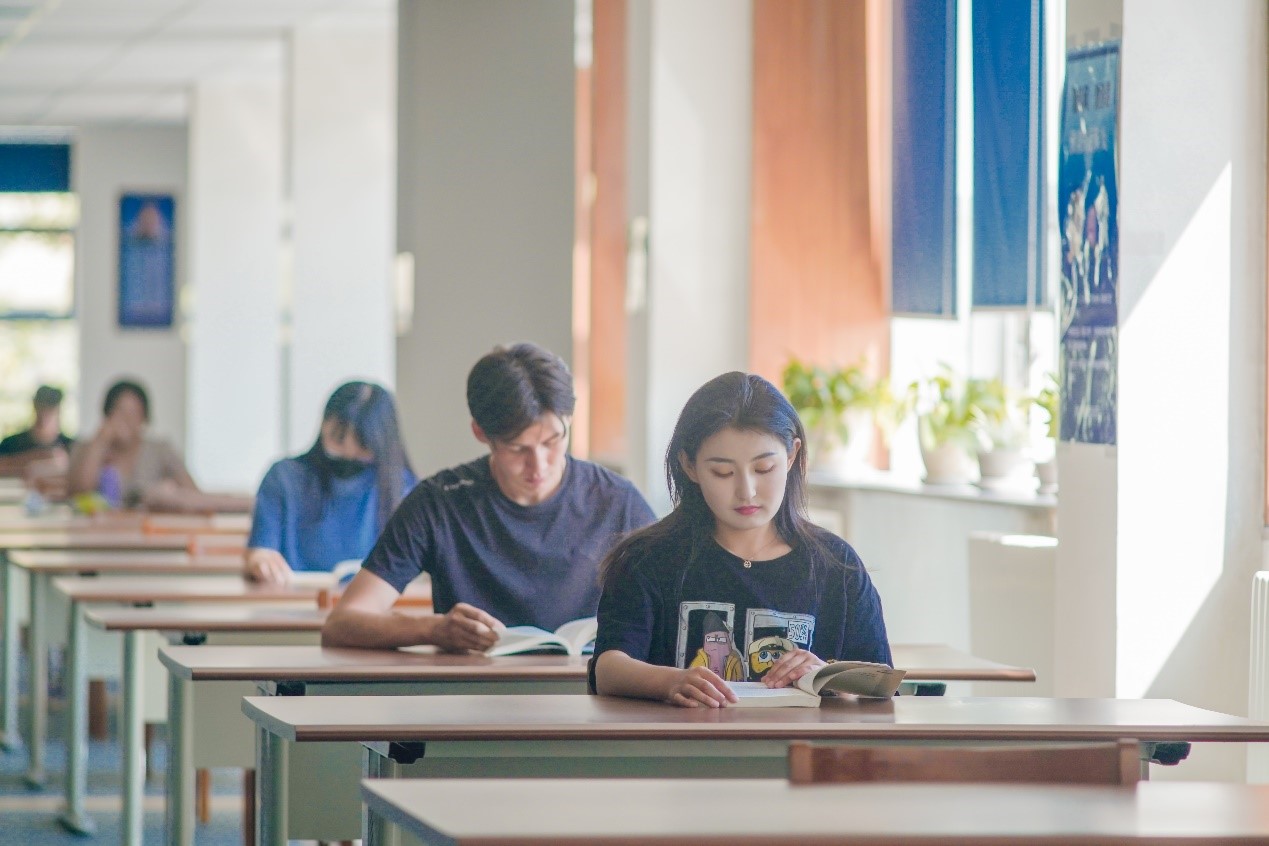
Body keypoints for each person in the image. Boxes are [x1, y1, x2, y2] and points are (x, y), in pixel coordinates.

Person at [322, 342, 656, 651]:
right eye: (517, 448)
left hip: (587, 688)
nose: (539, 465)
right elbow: (343, 623)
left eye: (553, 441)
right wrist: (432, 629)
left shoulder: (617, 502)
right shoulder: (439, 503)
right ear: (481, 433)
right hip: (473, 688)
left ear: (569, 419)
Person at [590, 371, 892, 707]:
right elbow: (608, 668)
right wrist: (670, 681)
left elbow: (880, 686)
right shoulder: (648, 559)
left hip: (800, 739)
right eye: (723, 472)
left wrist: (827, 676)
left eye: (764, 469)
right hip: (682, 739)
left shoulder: (836, 565)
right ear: (690, 466)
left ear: (791, 456)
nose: (746, 491)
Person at [245, 381, 417, 583]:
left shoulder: (404, 488)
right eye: (338, 438)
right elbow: (261, 550)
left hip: (378, 602)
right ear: (324, 424)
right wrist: (261, 561)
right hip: (295, 598)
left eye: (362, 445)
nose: (348, 453)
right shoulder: (284, 477)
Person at [67, 378, 252, 513]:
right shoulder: (87, 448)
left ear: (145, 419)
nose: (126, 420)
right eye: (120, 412)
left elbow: (194, 494)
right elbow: (79, 492)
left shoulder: (161, 450)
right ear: (107, 415)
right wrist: (100, 442)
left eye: (134, 414)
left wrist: (168, 495)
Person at [0, 385, 73, 476]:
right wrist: (35, 458)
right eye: (42, 406)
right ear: (35, 406)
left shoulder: (70, 446)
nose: (45, 413)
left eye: (50, 408)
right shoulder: (10, 444)